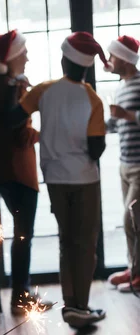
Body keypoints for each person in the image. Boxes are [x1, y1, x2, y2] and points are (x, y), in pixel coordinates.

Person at [7, 32, 108, 329]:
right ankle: (81, 305)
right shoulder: (93, 99)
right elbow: (96, 149)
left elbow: (12, 118)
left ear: (63, 60)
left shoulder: (43, 91)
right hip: (85, 178)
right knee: (86, 243)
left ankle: (70, 304)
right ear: (86, 68)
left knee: (67, 240)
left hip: (54, 178)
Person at [0, 30, 53, 315]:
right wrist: (40, 133)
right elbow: (14, 130)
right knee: (25, 234)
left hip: (2, 169)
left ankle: (13, 294)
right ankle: (20, 297)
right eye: (23, 53)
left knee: (12, 234)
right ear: (12, 57)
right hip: (18, 171)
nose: (27, 57)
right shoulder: (11, 87)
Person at [106, 35, 140, 293]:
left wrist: (126, 114)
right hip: (124, 165)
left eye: (112, 56)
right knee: (133, 222)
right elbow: (118, 124)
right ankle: (134, 270)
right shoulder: (121, 86)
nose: (108, 61)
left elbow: (130, 117)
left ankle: (138, 275)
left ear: (125, 59)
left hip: (139, 167)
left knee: (132, 222)